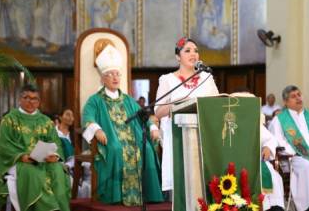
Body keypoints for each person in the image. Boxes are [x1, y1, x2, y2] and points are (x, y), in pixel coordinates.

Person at [82, 44, 163, 205]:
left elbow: (143, 116)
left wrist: (153, 127)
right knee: (116, 149)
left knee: (146, 148)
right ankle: (115, 196)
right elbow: (88, 117)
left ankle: (148, 195)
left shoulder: (127, 99)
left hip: (134, 138)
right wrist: (97, 130)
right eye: (110, 74)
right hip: (111, 139)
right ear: (102, 78)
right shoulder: (95, 100)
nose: (115, 78)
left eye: (117, 74)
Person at [154, 37, 219, 193]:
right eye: (187, 50)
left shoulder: (207, 78)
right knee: (184, 186)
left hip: (205, 133)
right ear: (178, 57)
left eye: (196, 51)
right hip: (179, 136)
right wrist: (178, 103)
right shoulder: (168, 80)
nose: (193, 54)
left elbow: (217, 104)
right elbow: (158, 111)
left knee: (206, 184)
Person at [0, 84, 71, 211]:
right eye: (26, 98)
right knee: (33, 172)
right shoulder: (9, 120)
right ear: (20, 99)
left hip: (44, 160)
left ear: (39, 101)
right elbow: (4, 146)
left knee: (58, 170)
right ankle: (50, 208)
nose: (30, 101)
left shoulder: (45, 121)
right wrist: (21, 156)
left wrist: (55, 156)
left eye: (34, 98)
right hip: (19, 161)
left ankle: (61, 207)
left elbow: (55, 142)